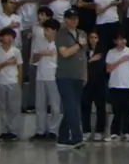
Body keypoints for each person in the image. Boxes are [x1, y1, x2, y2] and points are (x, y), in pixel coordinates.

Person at [53, 12, 88, 149]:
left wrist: (85, 74)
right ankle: (77, 136)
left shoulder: (82, 33)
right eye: (71, 19)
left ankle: (62, 137)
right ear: (66, 20)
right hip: (64, 75)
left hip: (78, 75)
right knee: (72, 106)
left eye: (76, 18)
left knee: (71, 108)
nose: (74, 21)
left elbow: (84, 56)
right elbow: (64, 53)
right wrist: (79, 44)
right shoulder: (61, 34)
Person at [31, 17, 60, 143]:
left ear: (54, 31)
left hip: (53, 76)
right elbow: (33, 59)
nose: (45, 32)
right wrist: (41, 54)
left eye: (48, 30)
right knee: (40, 105)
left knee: (55, 106)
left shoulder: (59, 43)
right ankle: (40, 130)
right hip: (40, 76)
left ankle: (53, 130)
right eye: (44, 29)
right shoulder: (39, 41)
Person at [104, 30, 129, 142]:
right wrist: (120, 61)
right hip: (114, 84)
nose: (121, 41)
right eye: (119, 39)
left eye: (123, 39)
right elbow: (108, 69)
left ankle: (127, 132)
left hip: (127, 85)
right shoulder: (111, 52)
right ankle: (115, 132)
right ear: (115, 41)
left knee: (127, 110)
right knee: (116, 110)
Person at [0, 27, 21, 141]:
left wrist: (19, 82)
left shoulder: (16, 51)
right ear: (1, 38)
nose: (9, 38)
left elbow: (20, 67)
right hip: (1, 82)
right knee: (2, 107)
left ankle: (13, 131)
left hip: (13, 81)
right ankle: (4, 130)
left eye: (11, 36)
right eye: (6, 35)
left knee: (14, 107)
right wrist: (5, 63)